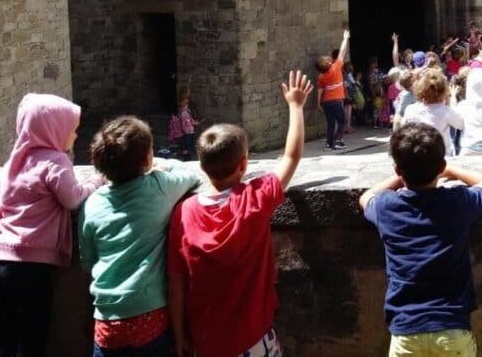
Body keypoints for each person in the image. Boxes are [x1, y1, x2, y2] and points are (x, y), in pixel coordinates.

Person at [167, 70, 313, 357]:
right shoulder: (254, 200)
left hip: (205, 341)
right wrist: (296, 106)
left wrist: (179, 334)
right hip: (252, 339)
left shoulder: (183, 213)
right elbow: (291, 157)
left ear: (202, 166)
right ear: (243, 165)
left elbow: (176, 283)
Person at [359, 122, 482, 357]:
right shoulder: (457, 202)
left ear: (398, 170)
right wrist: (452, 171)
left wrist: (401, 176)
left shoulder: (387, 208)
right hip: (452, 327)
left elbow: (367, 197)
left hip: (406, 329)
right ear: (440, 166)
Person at [0, 93, 104, 357]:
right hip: (31, 268)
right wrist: (95, 182)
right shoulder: (55, 161)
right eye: (71, 130)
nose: (74, 137)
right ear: (53, 130)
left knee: (6, 339)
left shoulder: (10, 166)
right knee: (32, 339)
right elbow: (72, 199)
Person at [80, 117, 200, 356]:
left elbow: (87, 262)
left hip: (106, 323)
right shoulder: (159, 187)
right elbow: (191, 175)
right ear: (146, 160)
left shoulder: (92, 203)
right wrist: (159, 165)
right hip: (150, 315)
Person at [402, 68, 466, 157]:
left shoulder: (410, 109)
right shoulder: (445, 111)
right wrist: (453, 100)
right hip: (441, 157)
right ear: (443, 90)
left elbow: (404, 130)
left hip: (419, 155)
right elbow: (461, 124)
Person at [315, 30, 351, 150]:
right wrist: (345, 38)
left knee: (331, 123)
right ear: (328, 63)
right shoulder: (335, 68)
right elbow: (342, 52)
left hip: (326, 102)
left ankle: (329, 144)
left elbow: (320, 90)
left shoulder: (321, 76)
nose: (329, 57)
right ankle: (338, 141)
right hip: (335, 101)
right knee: (342, 121)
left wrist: (318, 103)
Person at [168, 88, 199, 160]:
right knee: (185, 147)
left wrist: (193, 122)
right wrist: (186, 129)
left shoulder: (184, 108)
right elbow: (183, 120)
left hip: (187, 130)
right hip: (184, 131)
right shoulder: (182, 110)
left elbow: (188, 118)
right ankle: (186, 159)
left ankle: (186, 158)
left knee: (187, 147)